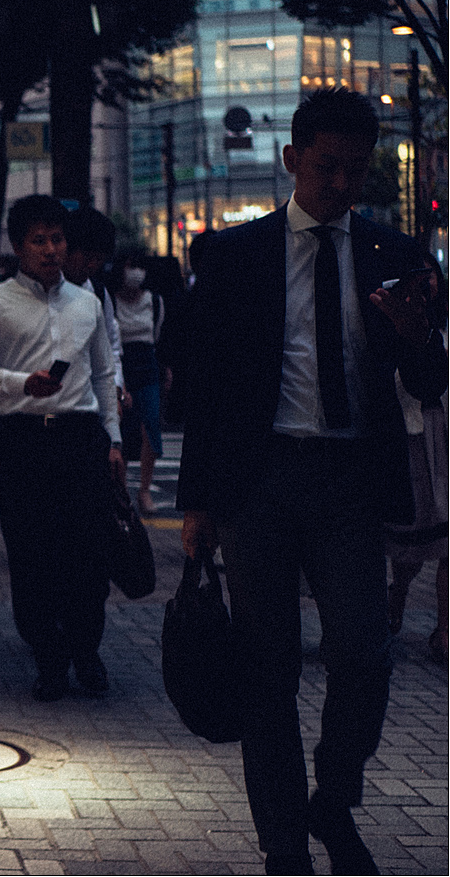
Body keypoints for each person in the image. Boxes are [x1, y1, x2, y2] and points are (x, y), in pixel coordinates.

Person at [177, 88, 447, 876]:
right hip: (257, 478)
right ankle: (284, 844)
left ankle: (332, 795)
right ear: (292, 160)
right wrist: (195, 505)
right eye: (326, 166)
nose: (340, 184)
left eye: (356, 170)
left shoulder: (395, 257)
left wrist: (416, 333)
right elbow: (206, 391)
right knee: (268, 665)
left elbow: (429, 382)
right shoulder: (231, 257)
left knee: (364, 651)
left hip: (347, 479)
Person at [0, 194, 124, 702]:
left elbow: (103, 373)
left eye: (57, 239)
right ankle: (49, 658)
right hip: (23, 438)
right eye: (39, 240)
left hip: (81, 436)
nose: (51, 250)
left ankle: (86, 652)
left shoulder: (88, 302)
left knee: (88, 553)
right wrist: (19, 384)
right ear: (17, 246)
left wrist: (114, 440)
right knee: (31, 552)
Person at [384, 251, 448, 661]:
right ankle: (397, 595)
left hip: (439, 436)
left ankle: (444, 628)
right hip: (406, 438)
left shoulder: (440, 327)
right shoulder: (388, 324)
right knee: (408, 537)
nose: (426, 289)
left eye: (431, 280)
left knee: (445, 536)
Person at [111, 250, 166, 514]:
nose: (135, 272)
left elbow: (158, 336)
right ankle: (121, 490)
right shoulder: (110, 300)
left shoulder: (154, 301)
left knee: (151, 425)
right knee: (121, 429)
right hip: (122, 364)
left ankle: (144, 490)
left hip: (147, 365)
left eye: (139, 266)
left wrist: (165, 368)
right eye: (130, 265)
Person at [62, 205, 128, 414]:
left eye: (99, 260)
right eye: (87, 257)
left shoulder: (98, 293)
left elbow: (111, 348)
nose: (92, 265)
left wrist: (116, 389)